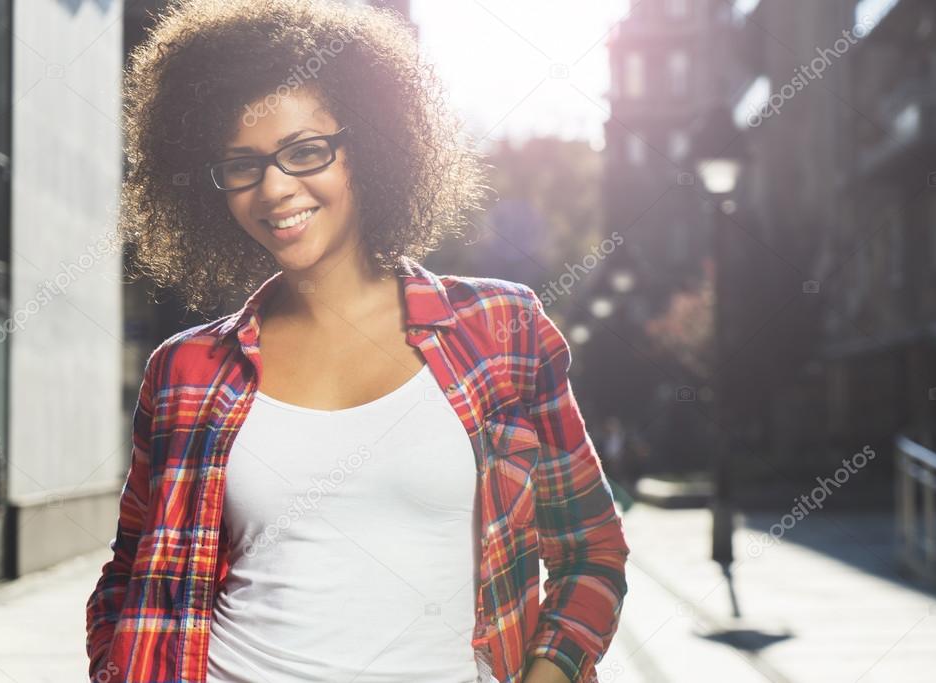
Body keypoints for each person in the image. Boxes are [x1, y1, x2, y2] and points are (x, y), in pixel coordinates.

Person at [83, 2, 629, 683]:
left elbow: (590, 552)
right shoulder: (185, 369)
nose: (276, 188)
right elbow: (131, 566)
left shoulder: (500, 331)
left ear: (368, 146)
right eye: (242, 165)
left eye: (306, 150)